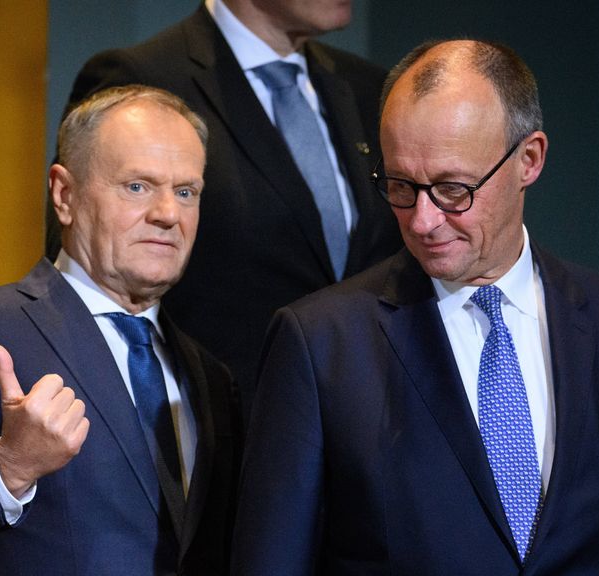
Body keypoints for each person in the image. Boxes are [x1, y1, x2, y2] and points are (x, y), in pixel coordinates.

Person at [223, 39, 599, 576]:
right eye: (401, 186)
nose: (423, 221)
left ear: (529, 158)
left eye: (453, 189)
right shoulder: (320, 344)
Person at [0, 85, 242, 576]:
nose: (168, 213)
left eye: (186, 191)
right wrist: (7, 469)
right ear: (64, 195)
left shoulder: (212, 379)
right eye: (137, 186)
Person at [51, 0, 403, 410]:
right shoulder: (144, 78)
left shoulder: (369, 87)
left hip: (362, 419)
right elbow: (79, 276)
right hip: (213, 432)